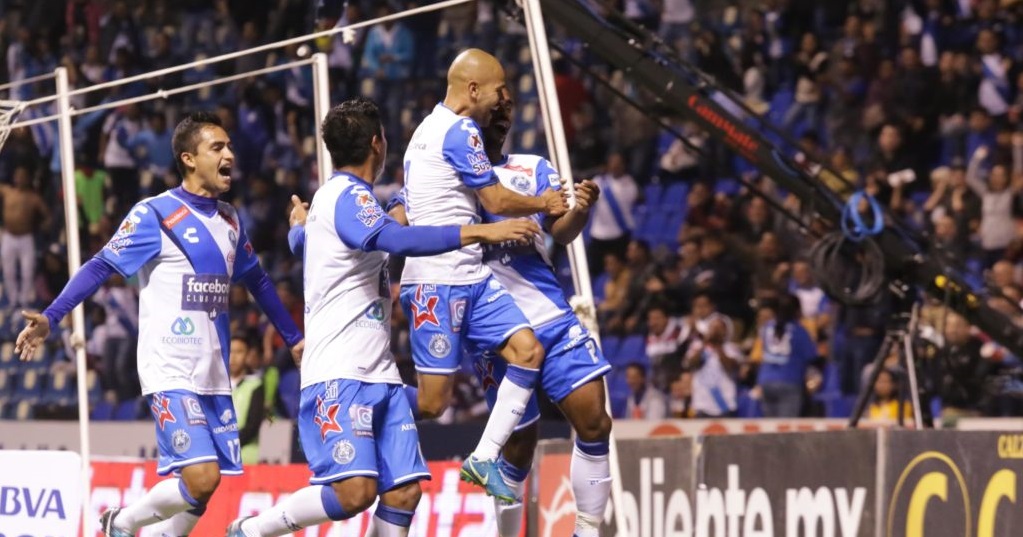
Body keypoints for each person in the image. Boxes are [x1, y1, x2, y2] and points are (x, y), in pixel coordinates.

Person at [233, 98, 539, 536]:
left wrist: (298, 226)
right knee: (355, 492)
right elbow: (394, 239)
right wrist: (481, 230)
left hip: (380, 376)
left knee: (404, 492)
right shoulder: (347, 197)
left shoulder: (332, 201)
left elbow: (310, 245)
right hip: (340, 373)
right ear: (378, 143)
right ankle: (254, 529)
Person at [15, 111, 304, 537]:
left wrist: (294, 339)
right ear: (189, 158)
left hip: (212, 371)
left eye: (229, 146)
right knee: (202, 477)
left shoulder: (230, 219)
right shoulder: (155, 213)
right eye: (217, 147)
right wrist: (52, 316)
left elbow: (257, 280)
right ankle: (123, 522)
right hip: (169, 367)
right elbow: (100, 267)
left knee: (205, 485)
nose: (230, 154)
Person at [388, 95, 613, 537]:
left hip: (549, 314)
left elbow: (560, 231)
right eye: (496, 111)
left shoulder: (532, 167)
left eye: (507, 115)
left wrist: (580, 210)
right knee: (519, 446)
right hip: (494, 328)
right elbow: (401, 216)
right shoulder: (443, 174)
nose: (501, 118)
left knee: (594, 421)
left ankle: (587, 531)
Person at [398, 48, 567, 502]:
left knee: (527, 352)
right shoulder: (457, 131)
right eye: (497, 91)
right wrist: (543, 204)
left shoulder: (425, 131)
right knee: (433, 404)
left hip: (470, 274)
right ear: (473, 90)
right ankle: (370, 400)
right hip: (435, 281)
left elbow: (407, 204)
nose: (501, 101)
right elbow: (495, 199)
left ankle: (484, 456)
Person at [1, 166, 51, 307]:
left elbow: (47, 215)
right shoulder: (7, 192)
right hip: (9, 237)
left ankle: (24, 299)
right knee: (8, 270)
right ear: (14, 178)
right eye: (18, 176)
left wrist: (44, 225)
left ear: (28, 179)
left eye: (23, 176)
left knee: (27, 271)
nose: (20, 178)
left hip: (25, 238)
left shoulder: (33, 198)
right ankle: (12, 299)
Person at [229, 335, 265, 466]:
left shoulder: (255, 385)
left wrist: (226, 443)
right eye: (230, 351)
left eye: (239, 352)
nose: (233, 357)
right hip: (218, 458)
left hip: (246, 458)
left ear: (248, 355)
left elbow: (253, 425)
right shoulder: (215, 385)